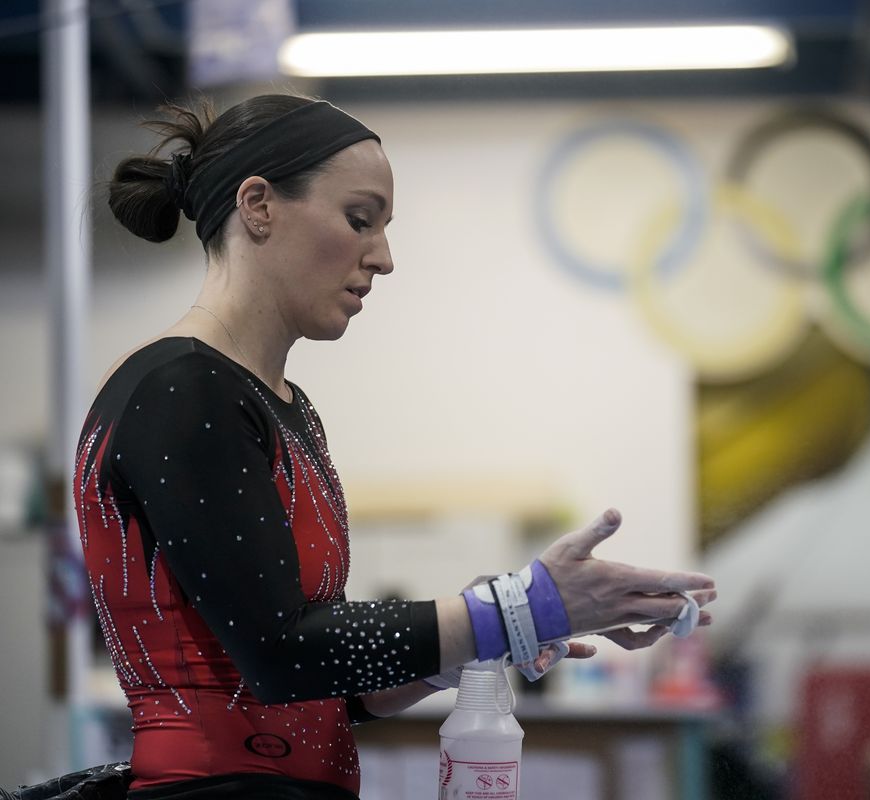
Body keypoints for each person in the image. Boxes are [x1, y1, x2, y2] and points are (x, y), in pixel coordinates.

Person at [73, 94, 716, 800]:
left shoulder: (286, 408)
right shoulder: (180, 389)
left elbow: (328, 688)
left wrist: (488, 633)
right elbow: (283, 652)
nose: (381, 257)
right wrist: (518, 607)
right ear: (258, 205)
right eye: (359, 219)